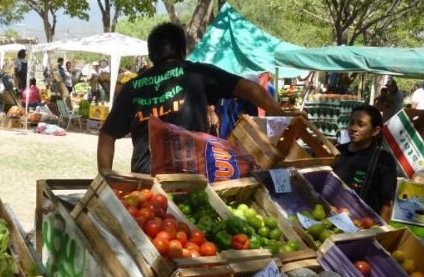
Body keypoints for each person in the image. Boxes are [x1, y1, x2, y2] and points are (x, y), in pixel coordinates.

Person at [97, 22, 287, 174]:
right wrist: (285, 119)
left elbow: (106, 136)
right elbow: (251, 89)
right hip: (190, 180)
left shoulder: (132, 87)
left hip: (145, 185)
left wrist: (107, 178)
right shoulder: (197, 73)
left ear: (151, 54)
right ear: (182, 50)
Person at [332, 104, 397, 222]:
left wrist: (380, 235)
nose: (353, 128)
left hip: (363, 227)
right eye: (351, 123)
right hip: (330, 219)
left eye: (360, 124)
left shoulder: (383, 159)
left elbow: (387, 204)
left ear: (375, 131)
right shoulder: (338, 152)